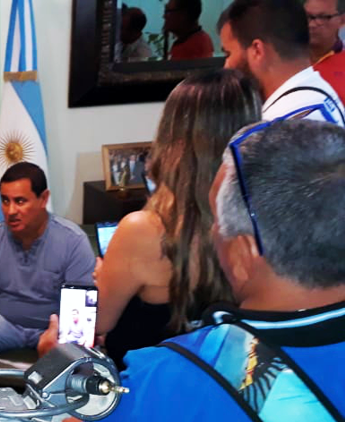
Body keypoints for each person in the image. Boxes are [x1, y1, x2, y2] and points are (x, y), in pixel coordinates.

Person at [69, 119, 345, 422]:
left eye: (218, 223)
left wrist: (68, 376)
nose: (214, 232)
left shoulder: (164, 382)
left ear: (244, 253)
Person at [42, 70, 262, 368]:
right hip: (228, 385)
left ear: (175, 136)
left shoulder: (142, 231)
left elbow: (95, 326)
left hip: (143, 397)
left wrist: (54, 347)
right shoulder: (265, 221)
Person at [0, 162, 95, 359]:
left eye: (20, 201)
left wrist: (59, 340)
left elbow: (79, 315)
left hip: (53, 326)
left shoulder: (73, 241)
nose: (10, 211)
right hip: (4, 321)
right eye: (5, 201)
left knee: (74, 355)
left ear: (43, 199)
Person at [218, 0, 345, 124]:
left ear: (257, 50)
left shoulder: (279, 128)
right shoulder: (319, 97)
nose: (226, 66)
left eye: (228, 54)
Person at [307, 0, 345, 101]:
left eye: (323, 17)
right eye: (307, 16)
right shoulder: (282, 56)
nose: (312, 25)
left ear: (342, 20)